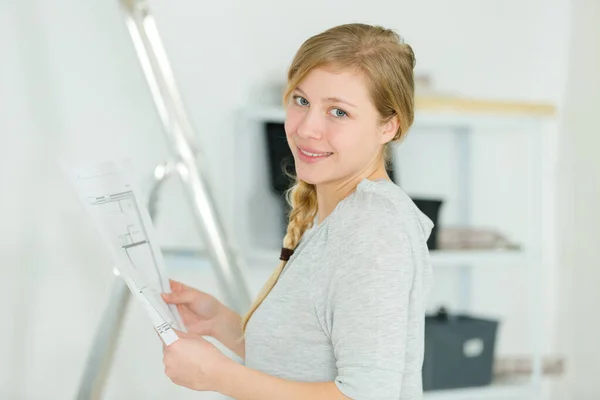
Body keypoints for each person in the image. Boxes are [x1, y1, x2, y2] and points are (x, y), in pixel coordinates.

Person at [160, 22, 434, 399]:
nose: (307, 129)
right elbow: (307, 362)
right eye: (301, 101)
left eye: (338, 112)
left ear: (389, 126)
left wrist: (218, 375)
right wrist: (223, 324)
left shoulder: (373, 228)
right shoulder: (339, 217)